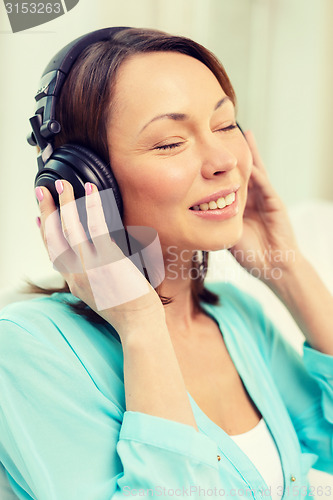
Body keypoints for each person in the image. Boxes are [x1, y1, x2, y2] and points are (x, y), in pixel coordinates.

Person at [0, 26, 332, 500]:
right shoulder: (25, 350)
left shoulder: (236, 317)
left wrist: (289, 269)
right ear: (81, 180)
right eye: (169, 142)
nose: (223, 160)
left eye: (225, 125)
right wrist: (141, 327)